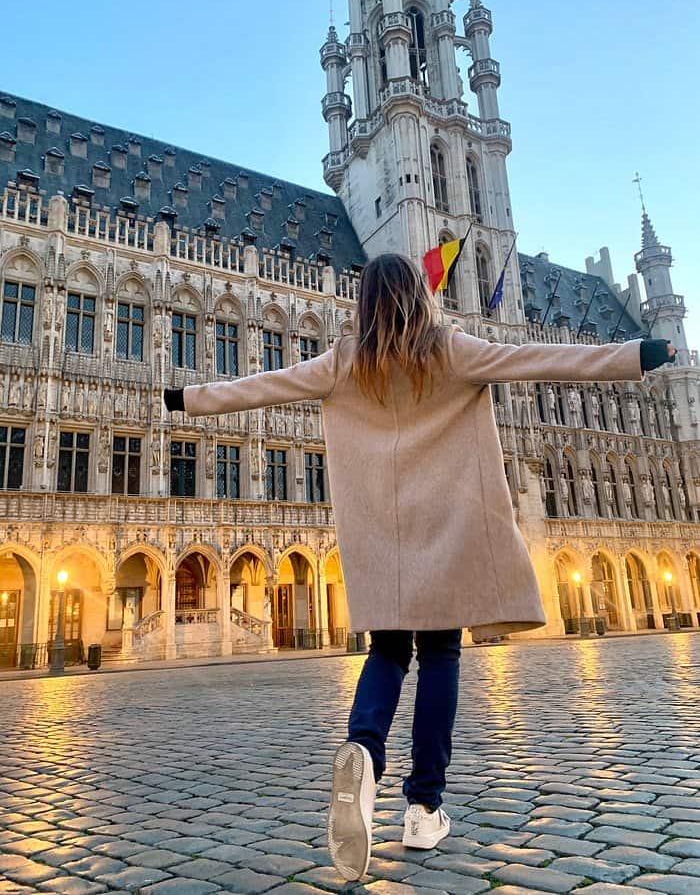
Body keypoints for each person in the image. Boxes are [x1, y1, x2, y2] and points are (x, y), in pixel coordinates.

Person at [164, 253, 676, 883]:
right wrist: (636, 356)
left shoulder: (346, 360)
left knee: (385, 654)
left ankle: (364, 751)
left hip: (381, 535)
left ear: (365, 303)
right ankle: (423, 806)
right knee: (440, 657)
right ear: (419, 294)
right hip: (447, 528)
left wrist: (185, 398)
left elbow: (264, 384)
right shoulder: (450, 350)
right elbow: (540, 359)